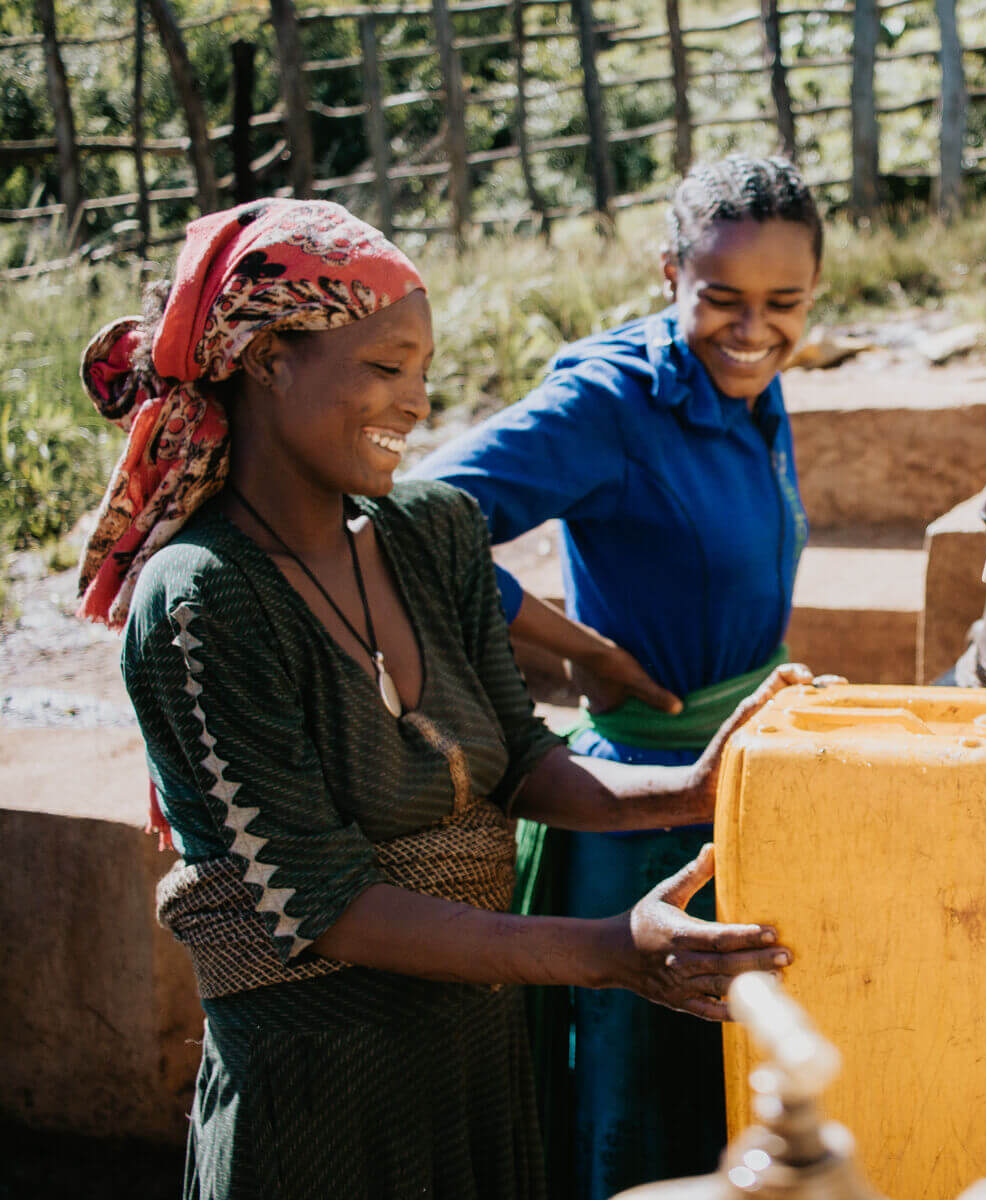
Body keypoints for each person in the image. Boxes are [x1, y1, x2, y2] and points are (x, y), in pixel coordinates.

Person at [83, 198, 802, 1200]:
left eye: (423, 370)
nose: (414, 402)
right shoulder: (205, 598)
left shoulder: (432, 534)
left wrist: (693, 788)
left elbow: (518, 758)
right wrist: (610, 953)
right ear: (266, 359)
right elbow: (325, 905)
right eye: (384, 368)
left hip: (476, 1068)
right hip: (322, 1103)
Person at [417, 154, 822, 1196]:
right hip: (639, 816)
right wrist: (576, 645)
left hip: (739, 791)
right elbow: (410, 523)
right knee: (634, 1107)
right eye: (721, 298)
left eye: (786, 303)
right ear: (668, 273)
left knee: (727, 1091)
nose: (754, 329)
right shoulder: (611, 403)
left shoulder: (750, 388)